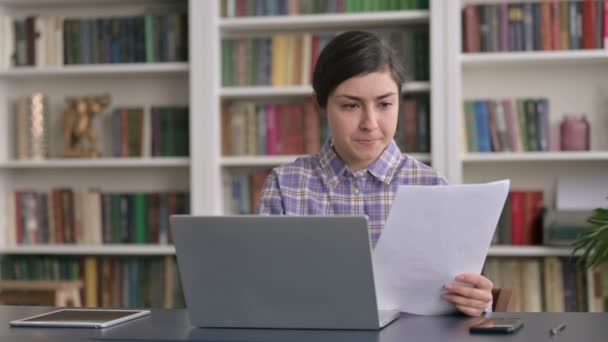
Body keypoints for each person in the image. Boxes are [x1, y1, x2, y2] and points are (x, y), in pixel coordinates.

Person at [256, 31, 493, 317]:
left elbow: (463, 299)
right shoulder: (284, 186)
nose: (370, 123)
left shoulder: (431, 185)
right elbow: (264, 291)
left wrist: (477, 301)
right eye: (351, 106)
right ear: (321, 105)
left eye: (384, 104)